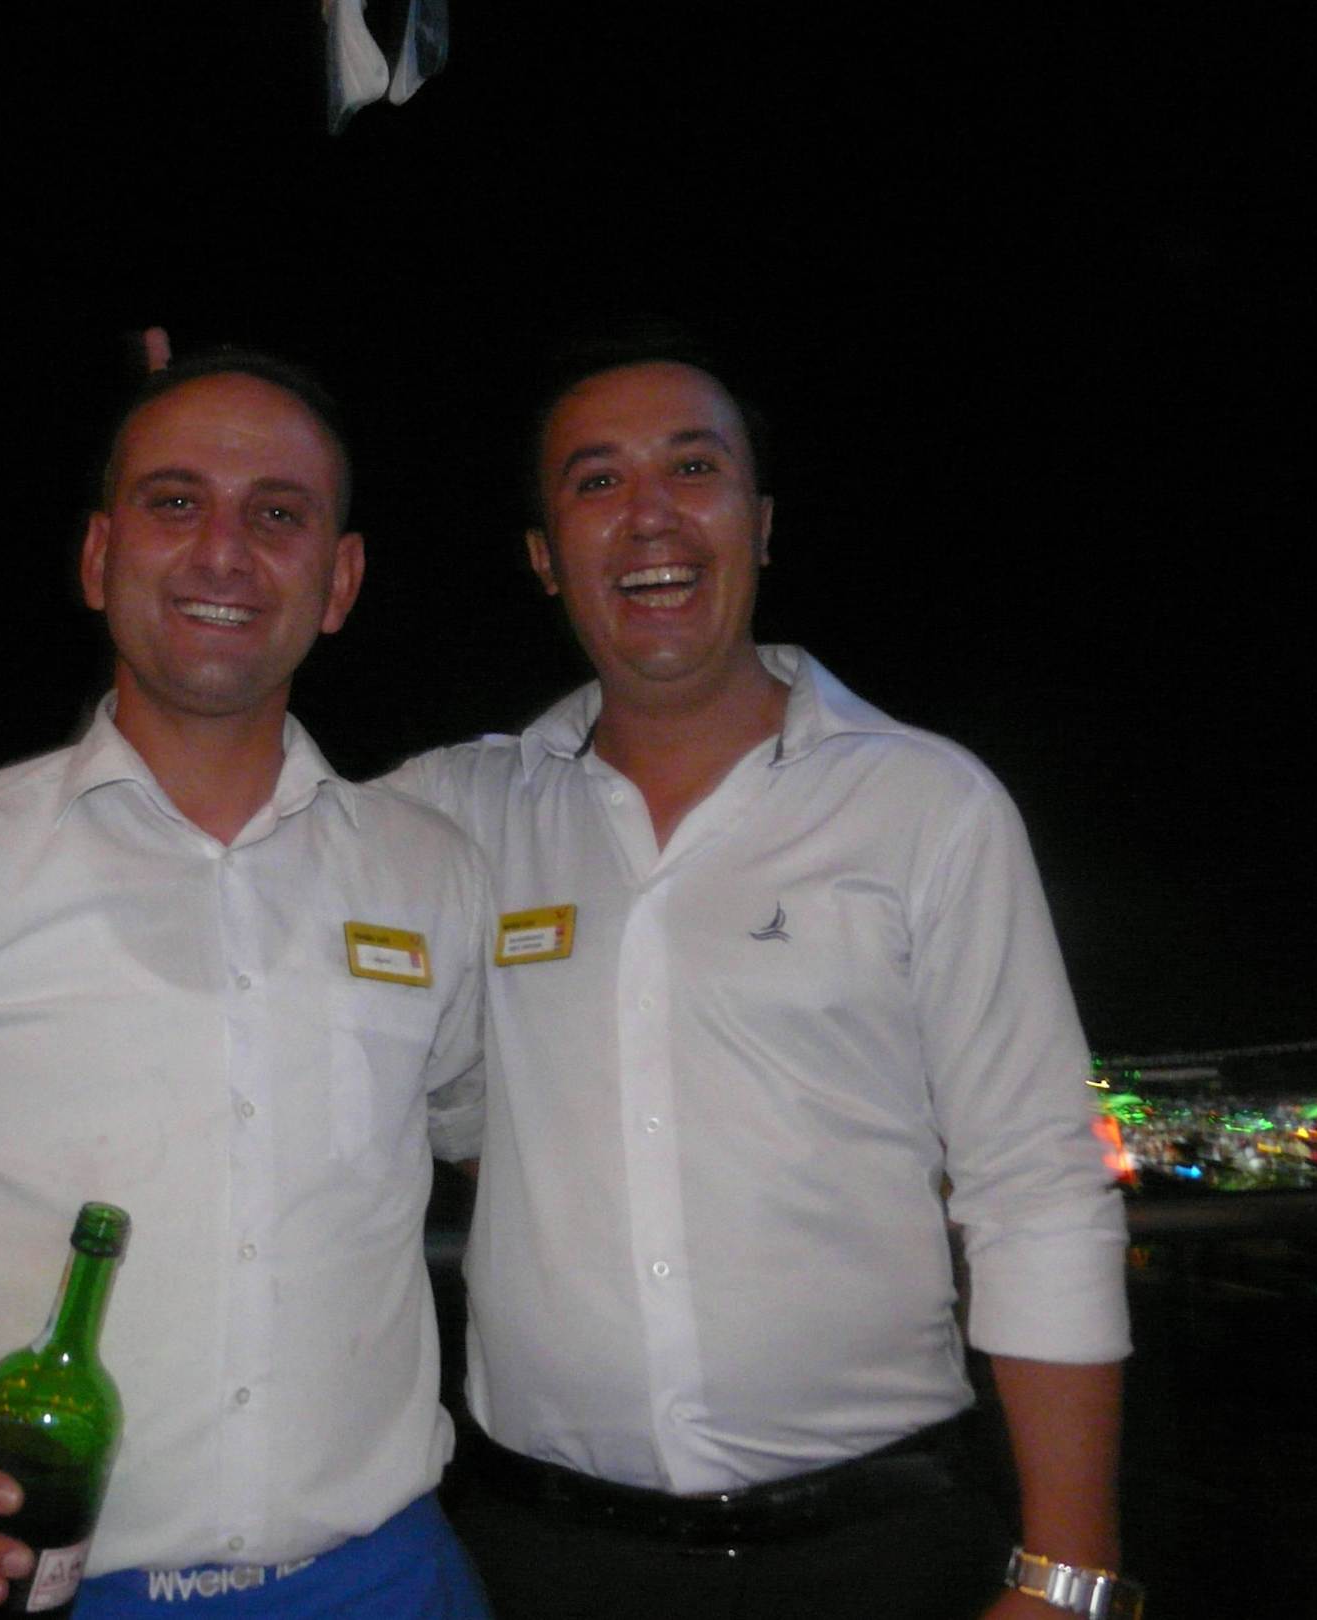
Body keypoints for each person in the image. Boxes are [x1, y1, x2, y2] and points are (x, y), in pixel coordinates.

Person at [383, 329, 1138, 1619]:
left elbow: (1037, 1186)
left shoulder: (925, 804)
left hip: (878, 1554)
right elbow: (250, 840)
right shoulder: (459, 816)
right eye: (596, 481)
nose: (651, 515)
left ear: (762, 523)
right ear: (544, 556)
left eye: (694, 467)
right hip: (545, 1558)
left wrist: (1070, 1575)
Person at [0, 350, 493, 1620]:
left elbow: (486, 1137)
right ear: (99, 556)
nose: (223, 552)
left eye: (278, 513)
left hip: (390, 1578)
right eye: (175, 502)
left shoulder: (434, 876)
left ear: (340, 580)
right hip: (49, 1587)